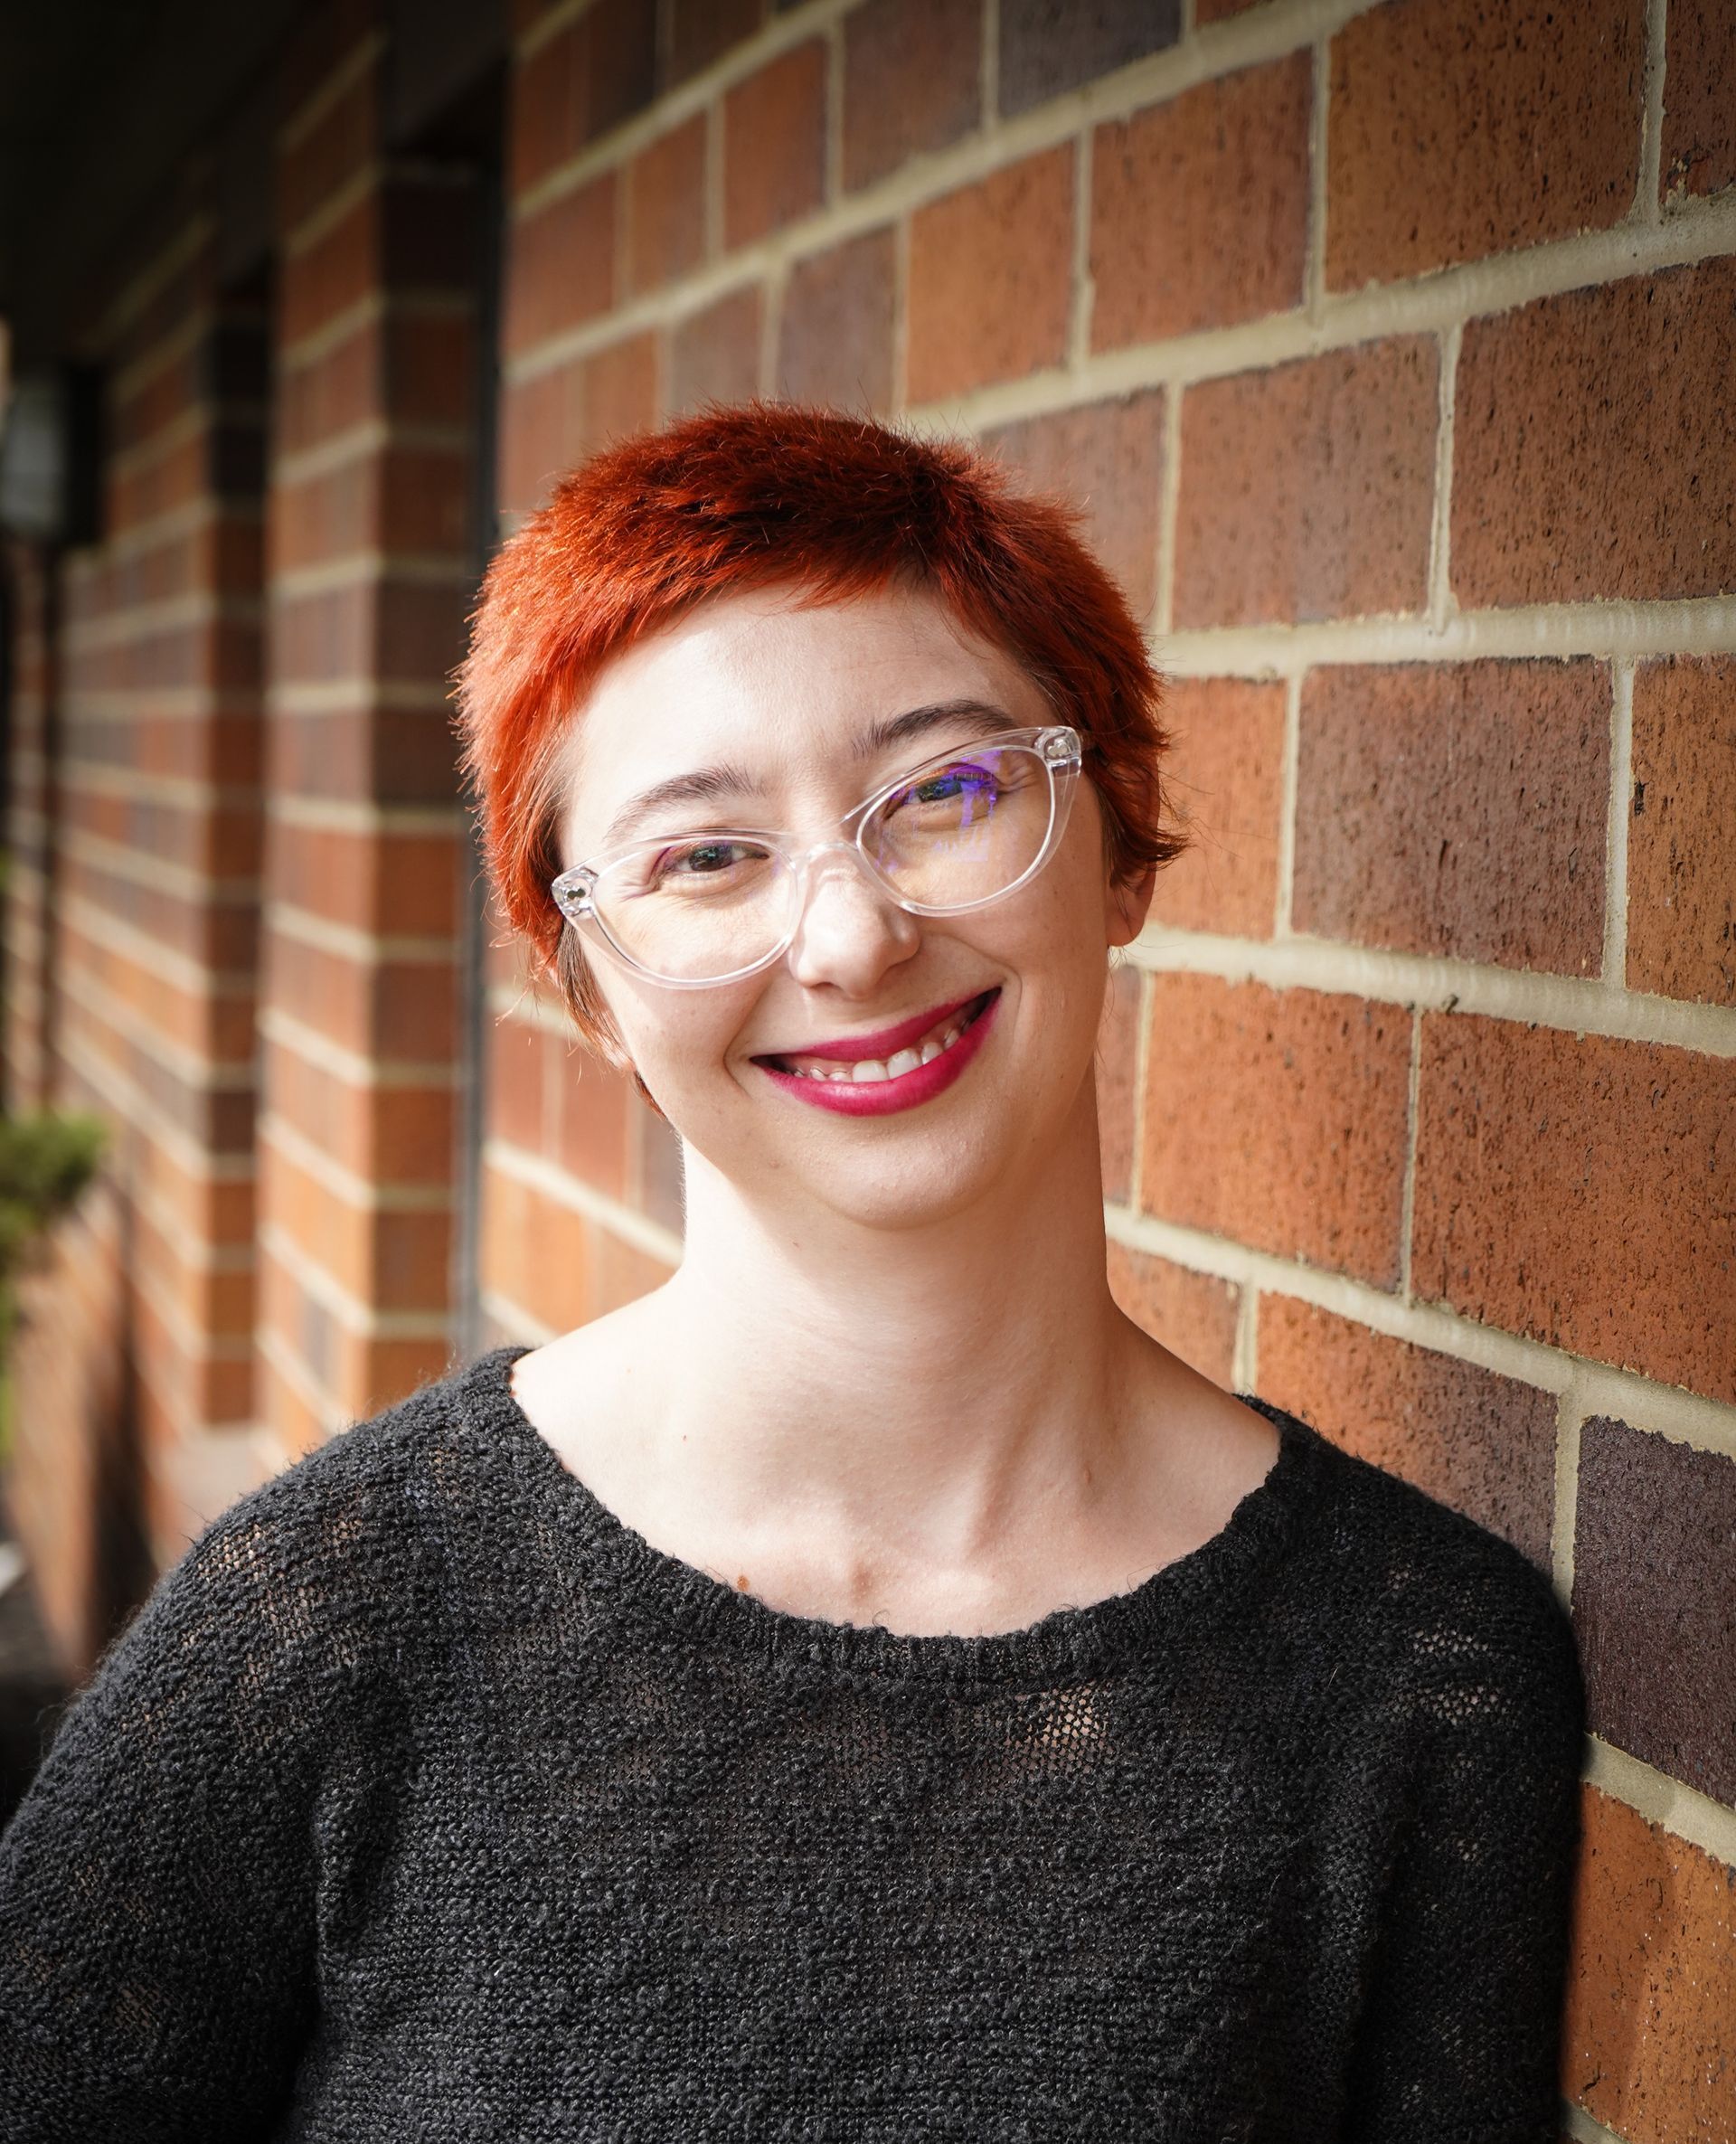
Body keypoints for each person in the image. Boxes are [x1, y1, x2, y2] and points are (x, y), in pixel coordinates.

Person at [0, 402, 1583, 2139]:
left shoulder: (1415, 1673)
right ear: (591, 988)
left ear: (1121, 827)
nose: (849, 937)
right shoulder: (336, 1623)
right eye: (705, 856)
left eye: (947, 793)